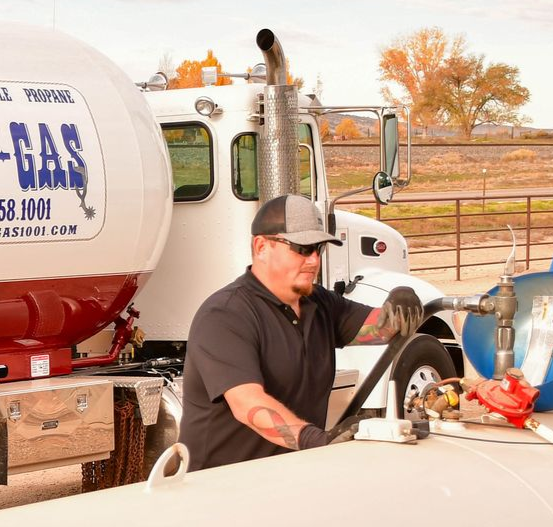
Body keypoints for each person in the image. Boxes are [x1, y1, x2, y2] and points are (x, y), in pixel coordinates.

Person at [179, 194, 423, 471]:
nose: (314, 260)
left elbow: (382, 329)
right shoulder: (225, 315)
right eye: (302, 248)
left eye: (319, 248)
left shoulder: (319, 303)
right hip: (219, 485)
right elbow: (248, 404)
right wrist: (314, 439)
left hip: (293, 475)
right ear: (261, 247)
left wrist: (400, 301)